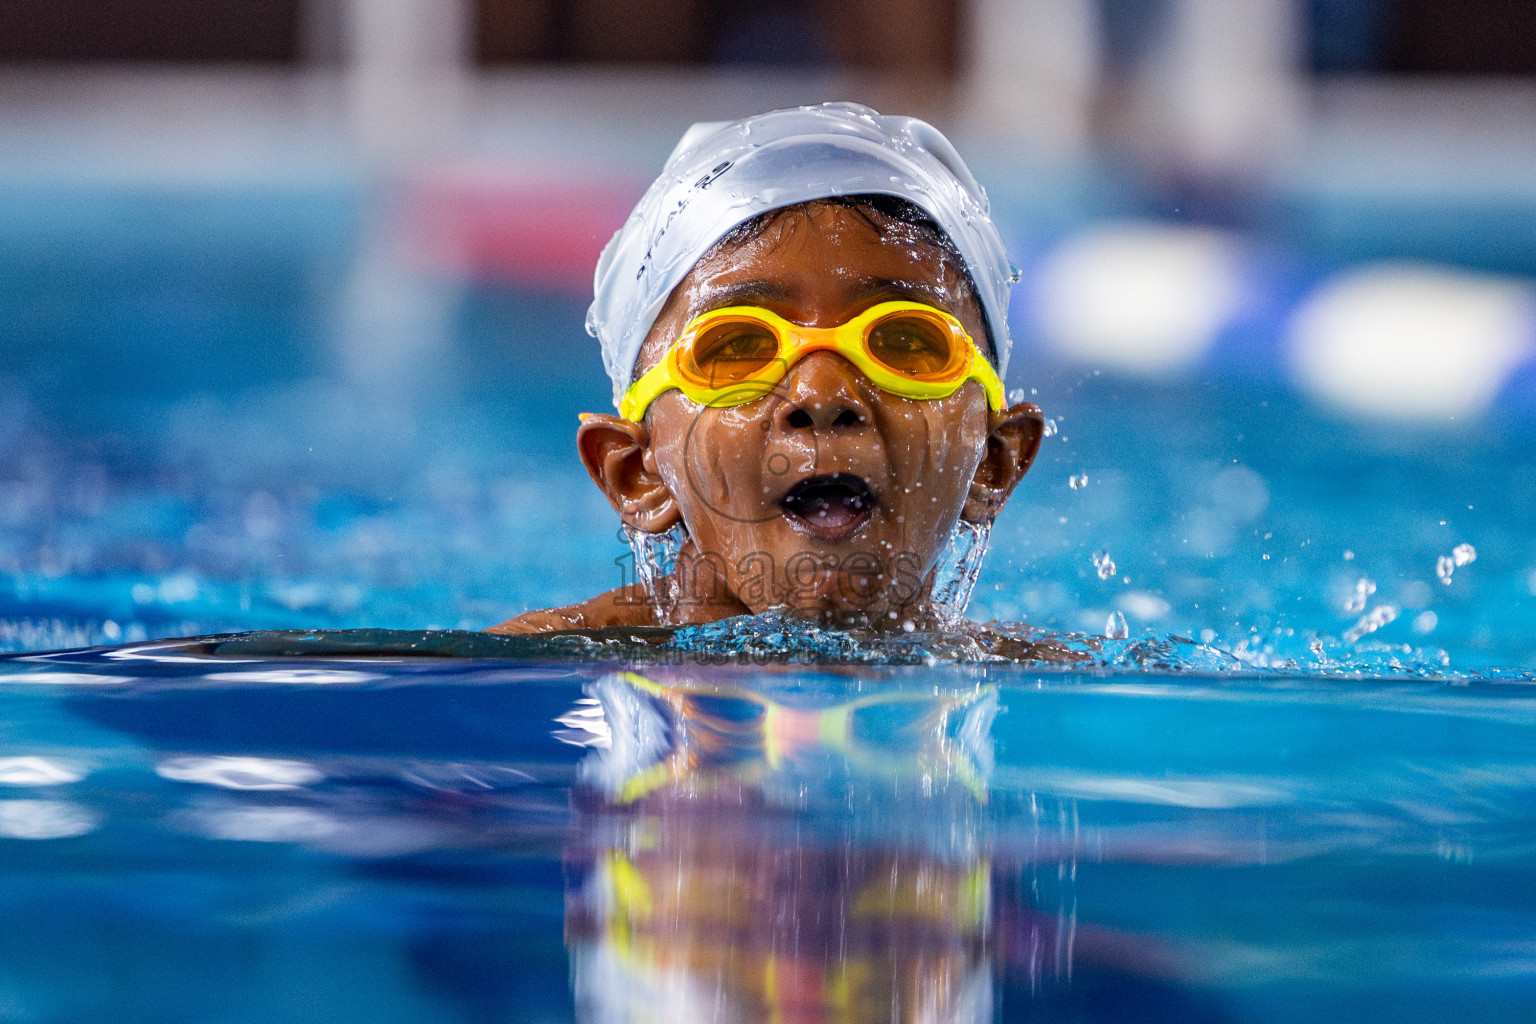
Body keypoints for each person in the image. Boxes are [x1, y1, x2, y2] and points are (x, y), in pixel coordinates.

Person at [491, 103, 1044, 634]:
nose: (822, 394)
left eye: (902, 342)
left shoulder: (1041, 684)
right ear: (639, 474)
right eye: (737, 349)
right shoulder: (517, 673)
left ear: (991, 462)